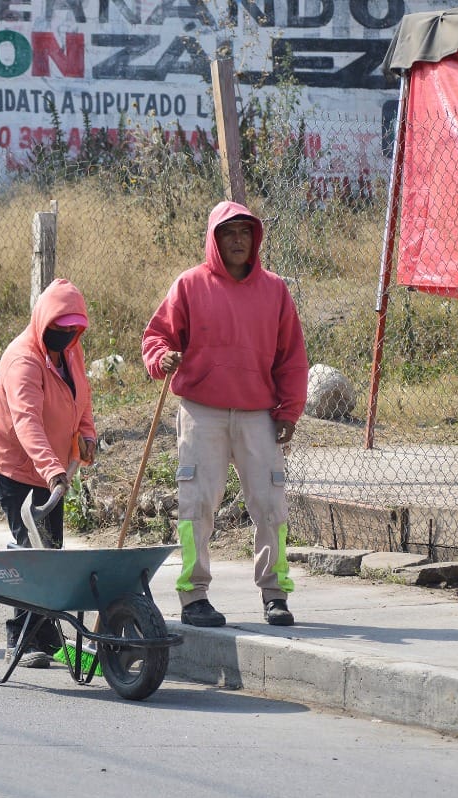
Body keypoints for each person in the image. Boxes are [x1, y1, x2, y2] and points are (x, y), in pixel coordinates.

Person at [141, 201, 309, 627]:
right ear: (214, 239)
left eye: (245, 232)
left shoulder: (274, 291)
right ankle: (193, 596)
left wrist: (289, 409)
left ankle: (276, 594)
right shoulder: (190, 285)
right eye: (228, 233)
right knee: (196, 505)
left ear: (255, 239)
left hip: (258, 415)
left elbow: (291, 357)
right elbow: (157, 335)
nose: (238, 240)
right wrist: (162, 358)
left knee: (271, 506)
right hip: (202, 413)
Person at [0, 278, 97, 667]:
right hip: (16, 468)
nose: (65, 336)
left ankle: (44, 637)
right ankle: (21, 640)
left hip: (53, 472)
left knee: (52, 552)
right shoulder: (23, 360)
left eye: (72, 330)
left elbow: (82, 398)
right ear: (42, 321)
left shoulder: (72, 353)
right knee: (34, 554)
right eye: (58, 329)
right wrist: (52, 471)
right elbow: (26, 422)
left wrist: (87, 434)